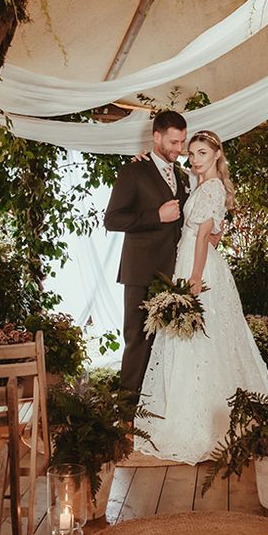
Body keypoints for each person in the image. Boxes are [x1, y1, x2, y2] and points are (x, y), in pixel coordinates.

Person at [135, 129, 268, 464]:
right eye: (192, 153)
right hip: (192, 259)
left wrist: (195, 277)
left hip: (196, 267)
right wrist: (141, 157)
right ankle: (190, 410)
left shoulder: (212, 189)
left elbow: (201, 237)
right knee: (193, 340)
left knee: (198, 338)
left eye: (201, 153)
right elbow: (213, 236)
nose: (195, 159)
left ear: (216, 155)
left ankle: (200, 421)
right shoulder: (203, 184)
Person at [104, 110, 189, 393]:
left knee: (168, 341)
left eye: (182, 142)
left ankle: (157, 405)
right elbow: (112, 219)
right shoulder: (133, 171)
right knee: (137, 340)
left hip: (173, 274)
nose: (179, 149)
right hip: (141, 272)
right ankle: (128, 409)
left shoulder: (182, 176)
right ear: (157, 137)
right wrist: (156, 215)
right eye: (174, 142)